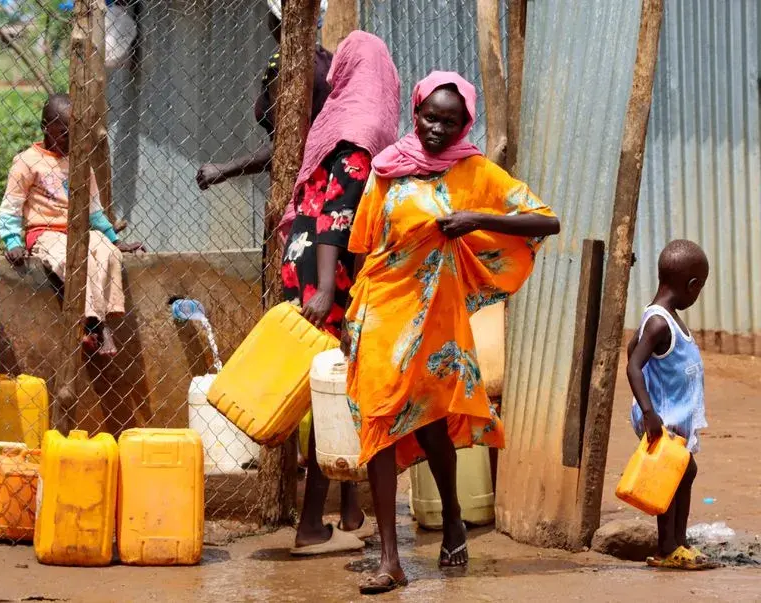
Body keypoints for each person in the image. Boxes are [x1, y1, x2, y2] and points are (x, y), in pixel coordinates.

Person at [344, 72, 559, 594]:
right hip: (380, 310)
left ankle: (455, 517)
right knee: (378, 423)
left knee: (432, 425)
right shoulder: (387, 169)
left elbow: (545, 221)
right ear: (414, 112)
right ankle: (390, 559)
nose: (435, 127)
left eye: (449, 120)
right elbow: (362, 244)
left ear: (466, 123)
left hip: (436, 318)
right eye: (428, 116)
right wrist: (352, 316)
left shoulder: (476, 172)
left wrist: (477, 218)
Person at [283, 31, 400, 556]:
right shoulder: (362, 130)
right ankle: (311, 525)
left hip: (303, 265)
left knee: (339, 390)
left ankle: (350, 512)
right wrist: (331, 289)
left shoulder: (334, 122)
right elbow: (339, 218)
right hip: (329, 278)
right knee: (337, 396)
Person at [0, 94, 142, 357]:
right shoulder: (27, 161)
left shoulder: (80, 160)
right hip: (45, 232)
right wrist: (12, 241)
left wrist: (114, 238)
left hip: (79, 231)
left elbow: (94, 207)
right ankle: (98, 325)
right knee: (71, 260)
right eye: (64, 134)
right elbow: (11, 205)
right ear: (46, 127)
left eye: (76, 133)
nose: (71, 140)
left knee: (107, 253)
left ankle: (94, 323)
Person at [196, 0, 331, 244]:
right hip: (327, 186)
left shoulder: (283, 66)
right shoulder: (327, 61)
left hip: (299, 193)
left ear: (275, 20)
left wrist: (225, 169)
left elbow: (288, 146)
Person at [626, 240, 715, 571]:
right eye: (700, 288)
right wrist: (649, 412)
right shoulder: (660, 322)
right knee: (670, 477)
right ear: (692, 285)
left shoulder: (663, 317)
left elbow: (631, 348)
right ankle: (667, 547)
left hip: (675, 415)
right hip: (664, 418)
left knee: (684, 471)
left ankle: (678, 541)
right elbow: (633, 364)